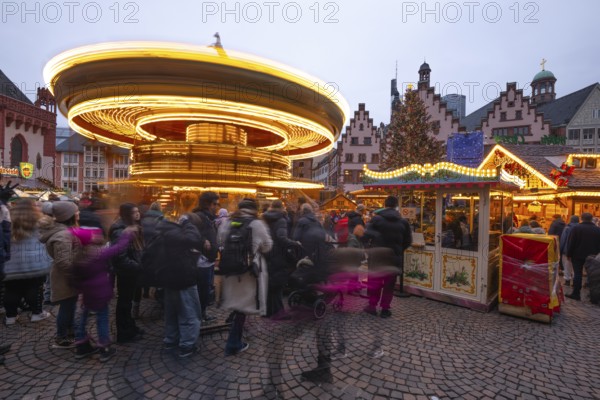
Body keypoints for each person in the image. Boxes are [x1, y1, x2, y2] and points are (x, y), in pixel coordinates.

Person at [219, 198, 272, 356]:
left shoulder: (227, 222)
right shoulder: (257, 224)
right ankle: (233, 343)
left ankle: (235, 337)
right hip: (249, 271)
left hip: (230, 270)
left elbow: (220, 241)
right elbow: (268, 246)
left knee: (238, 306)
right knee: (243, 307)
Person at [71, 226, 133, 361]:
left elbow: (75, 279)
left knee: (81, 319)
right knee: (102, 318)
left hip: (87, 294)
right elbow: (117, 248)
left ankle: (81, 346)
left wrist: (81, 292)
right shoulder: (98, 254)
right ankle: (104, 347)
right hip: (100, 293)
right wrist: (126, 235)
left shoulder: (77, 257)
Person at [157, 214, 203, 358]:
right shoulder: (178, 234)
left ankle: (171, 340)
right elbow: (195, 238)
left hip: (169, 279)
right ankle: (187, 346)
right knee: (189, 313)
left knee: (172, 313)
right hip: (183, 279)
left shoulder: (165, 233)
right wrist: (188, 223)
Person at [39, 201, 81, 348]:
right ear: (69, 215)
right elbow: (64, 261)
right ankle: (62, 337)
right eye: (76, 211)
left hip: (67, 276)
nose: (78, 213)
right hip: (65, 278)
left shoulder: (66, 232)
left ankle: (70, 333)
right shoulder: (63, 235)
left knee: (70, 307)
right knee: (67, 308)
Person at [3, 199, 52, 325]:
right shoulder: (41, 221)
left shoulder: (9, 221)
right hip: (35, 260)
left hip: (12, 262)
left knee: (11, 289)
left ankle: (10, 316)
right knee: (35, 287)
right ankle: (36, 313)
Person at [363, 195, 412, 318]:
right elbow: (408, 241)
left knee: (376, 282)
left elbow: (366, 236)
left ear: (384, 205)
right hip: (393, 258)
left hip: (378, 257)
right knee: (389, 285)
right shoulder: (403, 222)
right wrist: (398, 250)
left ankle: (372, 306)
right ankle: (385, 309)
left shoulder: (376, 220)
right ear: (396, 206)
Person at [109, 203, 144, 343]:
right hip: (126, 272)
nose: (138, 214)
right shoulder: (120, 231)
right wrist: (137, 266)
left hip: (131, 271)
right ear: (127, 214)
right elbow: (119, 256)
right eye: (134, 212)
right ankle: (123, 333)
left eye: (138, 211)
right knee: (124, 303)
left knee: (127, 302)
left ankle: (130, 327)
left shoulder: (130, 228)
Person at [262, 200, 298, 318]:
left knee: (270, 283)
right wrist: (294, 243)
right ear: (282, 207)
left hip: (267, 253)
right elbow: (281, 238)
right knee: (278, 284)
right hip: (278, 254)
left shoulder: (264, 219)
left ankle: (267, 311)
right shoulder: (281, 219)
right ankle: (279, 312)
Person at [565, 212, 600, 300]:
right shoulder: (597, 229)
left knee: (578, 273)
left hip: (577, 255)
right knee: (591, 275)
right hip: (593, 256)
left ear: (581, 218)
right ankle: (593, 295)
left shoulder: (576, 228)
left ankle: (576, 293)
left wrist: (569, 254)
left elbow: (571, 242)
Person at [560, 215, 579, 287]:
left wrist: (561, 250)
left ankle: (567, 281)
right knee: (576, 268)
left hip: (567, 250)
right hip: (577, 251)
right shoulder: (580, 228)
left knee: (567, 265)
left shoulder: (567, 228)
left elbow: (563, 239)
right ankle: (575, 282)